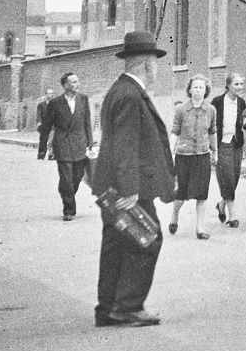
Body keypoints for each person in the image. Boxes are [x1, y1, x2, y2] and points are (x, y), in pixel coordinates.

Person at [92, 31, 174, 329]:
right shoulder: (129, 95)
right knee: (147, 239)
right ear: (147, 64)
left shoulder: (121, 90)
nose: (156, 70)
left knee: (116, 246)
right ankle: (128, 307)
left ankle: (109, 308)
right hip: (126, 188)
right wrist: (130, 190)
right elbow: (125, 145)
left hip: (112, 186)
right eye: (155, 63)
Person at [37, 73, 94, 221]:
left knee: (77, 176)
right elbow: (46, 126)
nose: (78, 84)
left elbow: (87, 121)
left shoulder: (83, 99)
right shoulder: (55, 103)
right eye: (74, 82)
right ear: (66, 85)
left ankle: (66, 192)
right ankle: (69, 210)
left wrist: (90, 142)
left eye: (77, 81)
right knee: (67, 178)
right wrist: (42, 149)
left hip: (79, 142)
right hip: (62, 143)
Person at [168, 76, 217, 240]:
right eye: (195, 87)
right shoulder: (182, 109)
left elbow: (212, 132)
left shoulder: (210, 110)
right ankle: (174, 215)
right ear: (189, 90)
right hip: (184, 156)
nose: (198, 90)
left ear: (206, 90)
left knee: (202, 194)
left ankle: (200, 228)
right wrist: (170, 150)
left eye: (201, 87)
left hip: (202, 156)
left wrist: (215, 151)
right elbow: (175, 131)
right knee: (181, 194)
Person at [213, 73, 246, 228]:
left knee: (235, 177)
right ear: (228, 85)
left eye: (241, 84)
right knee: (228, 177)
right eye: (236, 84)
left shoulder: (241, 102)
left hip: (236, 144)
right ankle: (232, 215)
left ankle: (221, 203)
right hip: (222, 145)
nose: (240, 87)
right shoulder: (217, 102)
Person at [36, 87, 56, 161]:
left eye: (52, 94)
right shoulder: (41, 105)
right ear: (46, 95)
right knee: (43, 140)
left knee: (52, 140)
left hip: (52, 126)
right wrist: (39, 122)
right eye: (49, 93)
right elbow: (39, 114)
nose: (51, 95)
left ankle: (51, 155)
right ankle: (41, 154)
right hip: (44, 126)